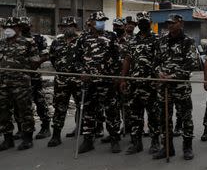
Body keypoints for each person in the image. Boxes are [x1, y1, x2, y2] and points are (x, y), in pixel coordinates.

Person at [153, 14, 198, 160]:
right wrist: (159, 73)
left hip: (181, 87)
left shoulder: (188, 41)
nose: (170, 25)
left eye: (173, 23)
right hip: (164, 87)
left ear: (181, 23)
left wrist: (173, 77)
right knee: (164, 118)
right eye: (168, 23)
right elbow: (156, 61)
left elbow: (191, 64)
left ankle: (187, 147)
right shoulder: (162, 40)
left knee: (186, 118)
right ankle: (167, 147)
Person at [75, 11, 120, 154]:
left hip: (107, 81)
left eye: (103, 20)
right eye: (99, 21)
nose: (102, 23)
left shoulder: (111, 37)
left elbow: (118, 58)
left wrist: (115, 75)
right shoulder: (83, 39)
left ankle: (114, 139)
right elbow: (76, 60)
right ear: (91, 23)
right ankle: (88, 140)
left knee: (111, 111)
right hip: (89, 82)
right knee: (88, 111)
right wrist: (82, 72)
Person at [119, 12, 161, 155]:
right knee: (135, 116)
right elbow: (127, 60)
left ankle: (155, 142)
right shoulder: (132, 40)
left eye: (146, 21)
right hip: (134, 84)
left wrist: (159, 78)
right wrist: (123, 79)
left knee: (153, 115)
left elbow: (162, 60)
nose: (143, 23)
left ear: (150, 22)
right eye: (141, 21)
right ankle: (136, 143)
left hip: (151, 85)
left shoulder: (157, 39)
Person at [0, 17, 40, 151]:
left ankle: (27, 138)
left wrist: (25, 72)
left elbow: (35, 62)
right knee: (4, 112)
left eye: (10, 27)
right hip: (3, 83)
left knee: (24, 111)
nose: (7, 30)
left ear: (18, 28)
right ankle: (8, 139)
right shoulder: (2, 43)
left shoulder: (28, 42)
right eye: (5, 27)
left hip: (21, 83)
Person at [47, 16, 83, 147]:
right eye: (66, 26)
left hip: (78, 80)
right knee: (60, 107)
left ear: (75, 27)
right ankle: (56, 135)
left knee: (82, 106)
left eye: (71, 26)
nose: (68, 28)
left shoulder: (81, 41)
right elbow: (52, 58)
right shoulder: (57, 42)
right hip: (61, 80)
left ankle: (82, 131)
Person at [18, 17, 52, 140]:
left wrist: (33, 64)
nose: (22, 27)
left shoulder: (38, 39)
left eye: (25, 25)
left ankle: (45, 127)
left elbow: (45, 55)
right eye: (20, 25)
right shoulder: (15, 40)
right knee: (20, 103)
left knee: (39, 101)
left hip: (33, 75)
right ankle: (21, 129)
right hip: (19, 78)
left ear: (30, 25)